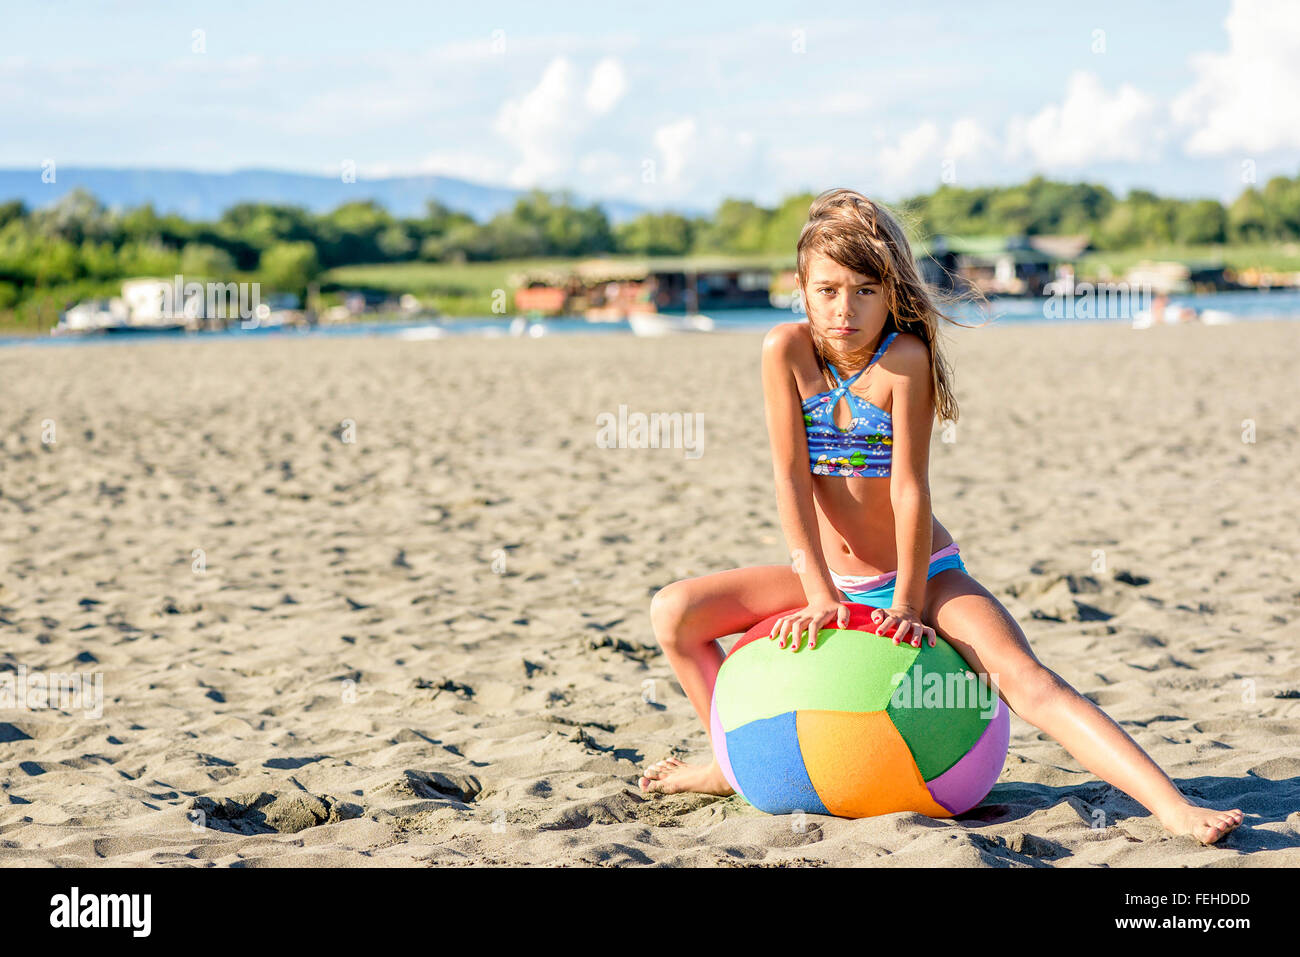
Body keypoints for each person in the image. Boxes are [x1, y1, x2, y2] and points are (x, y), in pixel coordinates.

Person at [639, 188, 1243, 845]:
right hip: (829, 582)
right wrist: (817, 593)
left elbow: (909, 490)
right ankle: (726, 764)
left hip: (918, 570)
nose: (846, 308)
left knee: (1028, 681)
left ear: (890, 290)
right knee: (674, 612)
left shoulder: (904, 360)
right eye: (828, 289)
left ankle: (1170, 805)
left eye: (866, 290)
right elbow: (788, 477)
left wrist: (907, 600)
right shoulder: (783, 350)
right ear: (801, 289)